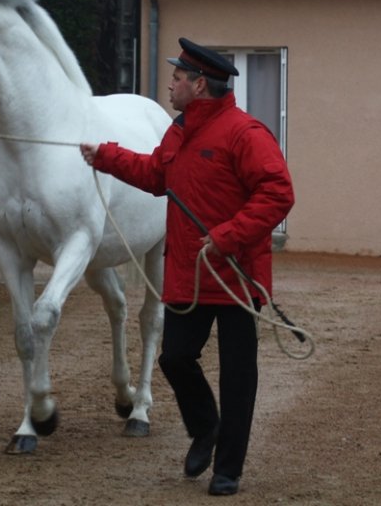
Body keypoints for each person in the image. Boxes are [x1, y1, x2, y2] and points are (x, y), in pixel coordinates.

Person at [80, 37, 294, 496]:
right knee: (175, 358)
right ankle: (205, 428)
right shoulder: (178, 132)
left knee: (237, 376)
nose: (170, 84)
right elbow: (156, 175)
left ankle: (227, 470)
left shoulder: (246, 134)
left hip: (236, 277)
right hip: (188, 276)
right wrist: (106, 156)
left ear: (199, 85)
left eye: (177, 77)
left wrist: (227, 236)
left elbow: (278, 194)